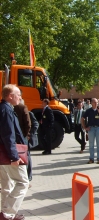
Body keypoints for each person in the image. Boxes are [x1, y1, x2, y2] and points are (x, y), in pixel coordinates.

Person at [0, 84, 29, 220]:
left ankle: (7, 214)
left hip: (3, 154)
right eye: (18, 94)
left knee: (7, 185)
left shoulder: (4, 109)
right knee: (23, 182)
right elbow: (8, 135)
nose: (20, 97)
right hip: (9, 154)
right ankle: (7, 213)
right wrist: (14, 157)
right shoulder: (6, 110)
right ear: (10, 96)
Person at [81, 98, 99, 164]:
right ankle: (91, 158)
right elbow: (82, 118)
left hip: (98, 128)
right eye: (94, 102)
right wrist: (85, 127)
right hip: (91, 128)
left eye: (97, 102)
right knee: (91, 144)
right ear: (91, 103)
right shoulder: (88, 111)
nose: (96, 103)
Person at [14, 100, 32, 183]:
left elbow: (28, 124)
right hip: (21, 138)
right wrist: (24, 135)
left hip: (17, 138)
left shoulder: (16, 108)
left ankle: (26, 178)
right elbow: (28, 123)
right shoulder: (22, 107)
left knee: (24, 157)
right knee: (24, 157)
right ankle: (26, 178)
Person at [27, 111, 39, 182]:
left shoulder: (29, 113)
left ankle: (29, 176)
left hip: (26, 139)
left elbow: (35, 124)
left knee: (27, 157)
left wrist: (30, 134)